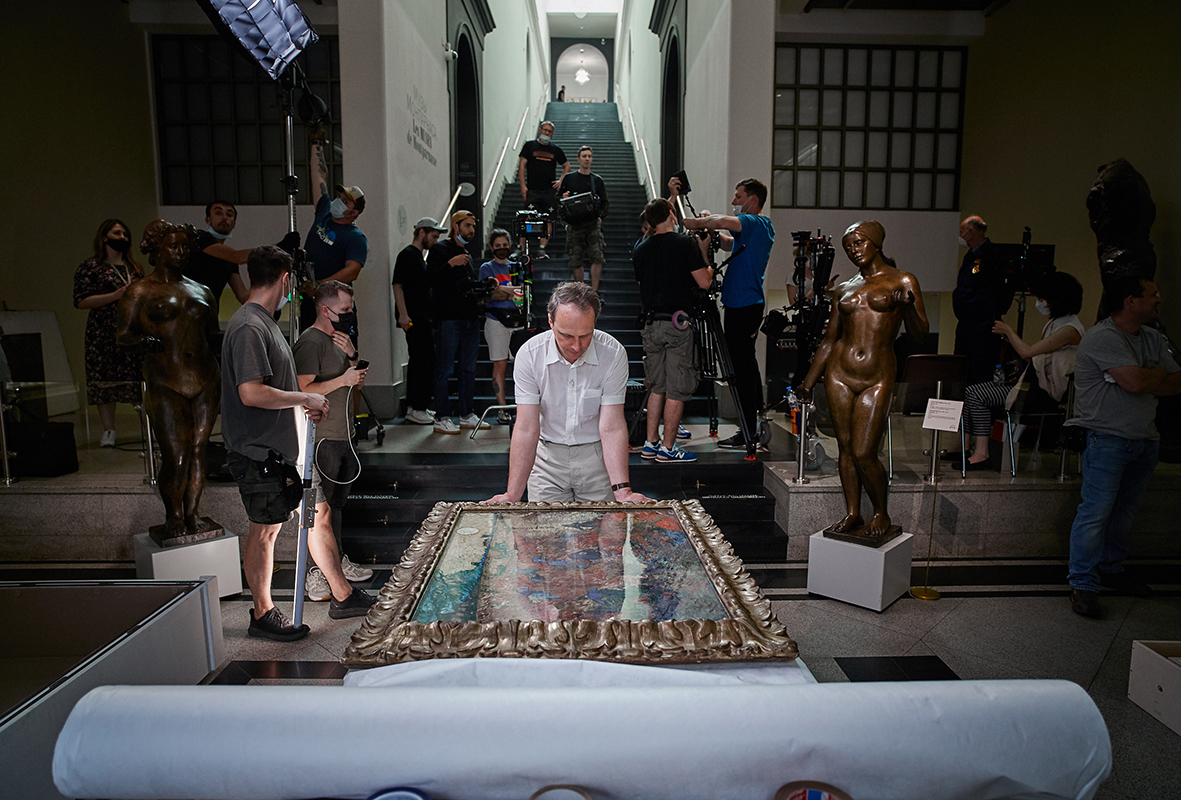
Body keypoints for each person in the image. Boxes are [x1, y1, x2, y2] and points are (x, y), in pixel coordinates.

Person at [220, 245, 370, 642]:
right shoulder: (250, 326)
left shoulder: (264, 323)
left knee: (316, 516)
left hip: (286, 447)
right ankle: (263, 611)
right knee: (266, 531)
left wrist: (303, 407)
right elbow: (251, 393)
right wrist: (305, 398)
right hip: (259, 450)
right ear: (285, 280)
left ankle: (343, 593)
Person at [799, 221, 929, 542]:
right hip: (840, 374)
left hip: (877, 375)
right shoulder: (845, 288)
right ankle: (853, 511)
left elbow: (920, 333)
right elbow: (830, 340)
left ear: (875, 242)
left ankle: (881, 512)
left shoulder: (902, 280)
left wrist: (907, 307)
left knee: (863, 451)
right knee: (844, 448)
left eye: (858, 243)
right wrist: (807, 381)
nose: (854, 251)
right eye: (848, 247)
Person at [1064, 276, 1180, 618]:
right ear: (1131, 300)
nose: (1159, 298)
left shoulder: (1153, 338)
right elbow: (1134, 382)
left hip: (1145, 439)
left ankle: (1112, 569)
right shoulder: (1102, 337)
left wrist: (1148, 376)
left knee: (1124, 512)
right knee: (1096, 513)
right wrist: (1148, 377)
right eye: (1152, 293)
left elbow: (1175, 383)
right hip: (1107, 439)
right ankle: (1083, 583)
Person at [486, 282, 649, 504]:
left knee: (603, 534)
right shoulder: (530, 355)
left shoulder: (612, 353)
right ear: (551, 322)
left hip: (596, 457)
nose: (576, 346)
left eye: (585, 335)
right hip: (547, 459)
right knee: (544, 534)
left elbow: (611, 426)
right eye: (566, 336)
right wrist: (512, 494)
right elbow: (526, 427)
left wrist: (623, 491)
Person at [115, 220, 220, 540]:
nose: (180, 252)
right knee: (176, 452)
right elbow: (123, 336)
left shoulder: (201, 290)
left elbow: (212, 335)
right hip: (165, 378)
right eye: (173, 246)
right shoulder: (140, 290)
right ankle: (174, 514)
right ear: (157, 248)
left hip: (204, 378)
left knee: (200, 449)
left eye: (185, 246)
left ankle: (192, 512)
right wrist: (145, 343)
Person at [673, 177, 775, 450]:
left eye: (738, 197)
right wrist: (712, 233)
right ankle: (751, 424)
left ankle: (747, 431)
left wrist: (697, 223)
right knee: (746, 363)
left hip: (743, 305)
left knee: (739, 368)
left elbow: (722, 221)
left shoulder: (755, 222)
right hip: (744, 303)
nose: (734, 202)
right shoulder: (757, 230)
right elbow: (729, 241)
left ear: (752, 200)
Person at [292, 280, 377, 601]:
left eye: (350, 309)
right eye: (344, 310)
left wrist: (353, 358)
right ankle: (316, 574)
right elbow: (301, 391)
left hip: (345, 433)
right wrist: (343, 378)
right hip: (322, 439)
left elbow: (352, 384)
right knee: (319, 511)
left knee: (337, 505)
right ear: (325, 310)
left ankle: (336, 562)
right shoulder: (310, 343)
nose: (349, 314)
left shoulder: (340, 340)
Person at [953, 271, 1086, 468]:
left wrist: (1008, 331)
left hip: (1046, 395)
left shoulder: (1069, 330)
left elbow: (1027, 352)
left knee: (976, 394)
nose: (1039, 303)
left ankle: (981, 453)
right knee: (971, 391)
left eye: (1042, 298)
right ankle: (965, 449)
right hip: (1033, 387)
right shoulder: (1056, 324)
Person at [633, 198, 713, 463]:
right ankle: (668, 448)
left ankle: (650, 442)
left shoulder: (641, 249)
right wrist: (703, 250)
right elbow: (704, 282)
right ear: (671, 214)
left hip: (650, 325)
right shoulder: (684, 243)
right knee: (677, 389)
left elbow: (643, 283)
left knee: (657, 386)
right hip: (677, 324)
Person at [74, 219, 145, 447]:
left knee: (138, 379)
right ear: (105, 237)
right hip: (102, 332)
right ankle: (109, 430)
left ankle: (147, 429)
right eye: (117, 233)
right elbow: (81, 301)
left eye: (125, 233)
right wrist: (115, 295)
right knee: (103, 380)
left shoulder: (134, 268)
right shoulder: (90, 267)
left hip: (132, 329)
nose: (122, 237)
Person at [427, 211, 490, 434]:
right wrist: (451, 264)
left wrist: (483, 286)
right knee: (445, 368)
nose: (471, 230)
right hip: (449, 319)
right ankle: (441, 416)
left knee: (468, 369)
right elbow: (431, 280)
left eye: (473, 226)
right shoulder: (440, 250)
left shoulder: (467, 254)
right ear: (456, 226)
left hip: (469, 318)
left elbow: (465, 286)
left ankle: (466, 413)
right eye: (467, 225)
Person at [302, 125, 367, 331]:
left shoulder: (355, 238)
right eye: (340, 197)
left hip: (335, 304)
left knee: (339, 352)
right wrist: (316, 145)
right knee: (308, 347)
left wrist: (321, 286)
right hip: (309, 299)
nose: (339, 201)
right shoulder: (324, 211)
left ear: (354, 212)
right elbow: (319, 178)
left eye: (345, 201)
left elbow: (352, 271)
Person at [393, 216, 447, 425]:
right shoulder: (407, 255)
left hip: (422, 317)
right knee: (421, 361)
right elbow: (397, 285)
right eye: (433, 236)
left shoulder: (418, 258)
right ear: (422, 233)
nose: (435, 240)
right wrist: (403, 314)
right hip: (414, 318)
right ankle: (416, 407)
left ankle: (417, 406)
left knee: (423, 361)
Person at [953, 216, 1013, 384]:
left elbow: (1001, 292)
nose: (960, 235)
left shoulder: (991, 256)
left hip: (983, 327)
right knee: (962, 372)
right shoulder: (969, 257)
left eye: (961, 231)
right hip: (966, 325)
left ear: (970, 231)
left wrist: (985, 312)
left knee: (981, 374)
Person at [478, 228, 523, 424]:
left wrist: (502, 289)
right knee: (500, 364)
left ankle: (523, 408)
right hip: (496, 320)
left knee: (522, 366)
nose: (502, 249)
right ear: (491, 247)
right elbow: (489, 294)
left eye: (505, 245)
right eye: (498, 246)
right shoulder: (486, 268)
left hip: (517, 320)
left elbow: (523, 292)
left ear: (510, 245)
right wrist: (512, 291)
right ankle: (502, 409)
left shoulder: (517, 266)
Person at [184, 201, 250, 317]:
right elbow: (238, 257)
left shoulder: (230, 260)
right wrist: (278, 249)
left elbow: (243, 296)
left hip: (209, 320)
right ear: (207, 220)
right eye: (218, 213)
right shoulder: (199, 238)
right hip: (185, 315)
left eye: (229, 215)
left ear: (234, 224)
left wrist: (270, 301)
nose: (224, 218)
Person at [557, 145, 609, 290]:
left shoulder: (597, 180)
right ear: (578, 159)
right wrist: (563, 197)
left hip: (593, 223)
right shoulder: (569, 178)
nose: (587, 159)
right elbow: (558, 200)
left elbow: (605, 202)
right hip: (574, 224)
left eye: (589, 156)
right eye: (584, 156)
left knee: (597, 256)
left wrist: (600, 217)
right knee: (575, 258)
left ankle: (594, 292)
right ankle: (581, 292)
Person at [518, 120, 569, 257]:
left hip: (549, 192)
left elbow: (567, 166)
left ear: (552, 134)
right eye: (545, 130)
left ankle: (541, 249)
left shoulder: (556, 150)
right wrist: (523, 186)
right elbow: (522, 165)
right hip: (533, 190)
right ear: (540, 130)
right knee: (527, 218)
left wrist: (561, 180)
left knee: (548, 220)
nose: (546, 133)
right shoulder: (529, 146)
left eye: (549, 131)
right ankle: (521, 247)